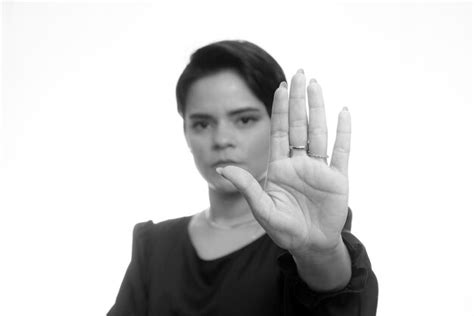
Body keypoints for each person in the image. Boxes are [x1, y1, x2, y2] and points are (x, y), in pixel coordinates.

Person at [108, 40, 378, 315]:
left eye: (244, 120)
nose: (222, 139)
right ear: (185, 132)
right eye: (202, 124)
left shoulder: (302, 236)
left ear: (278, 122)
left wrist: (318, 254)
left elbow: (338, 303)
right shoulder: (155, 246)